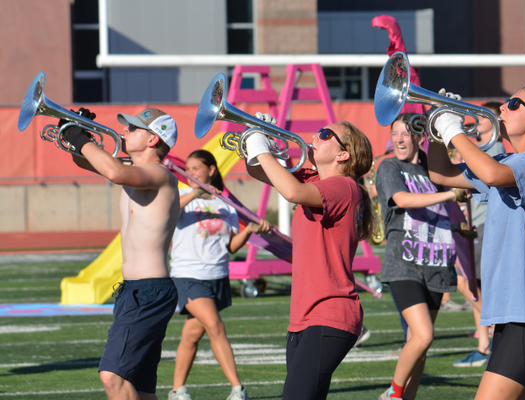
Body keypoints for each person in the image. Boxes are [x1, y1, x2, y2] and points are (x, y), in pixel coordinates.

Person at [428, 87, 525, 400]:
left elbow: (491, 174)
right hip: (515, 311)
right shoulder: (509, 160)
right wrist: (437, 127)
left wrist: (453, 128)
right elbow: (441, 173)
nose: (504, 106)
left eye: (515, 103)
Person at [245, 115, 374, 400]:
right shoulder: (314, 179)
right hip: (304, 317)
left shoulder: (345, 187)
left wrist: (260, 146)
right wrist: (256, 137)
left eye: (326, 134)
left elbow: (291, 192)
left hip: (329, 314)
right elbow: (257, 172)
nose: (315, 136)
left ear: (343, 155)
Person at [67, 107, 180, 399]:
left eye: (134, 128)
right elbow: (84, 162)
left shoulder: (159, 173)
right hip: (135, 291)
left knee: (112, 376)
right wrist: (76, 131)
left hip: (148, 292)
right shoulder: (133, 170)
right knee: (140, 389)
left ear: (154, 139)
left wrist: (79, 136)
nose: (125, 132)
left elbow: (114, 172)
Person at [168, 150, 270, 400]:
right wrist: (195, 193)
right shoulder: (180, 195)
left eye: (196, 168)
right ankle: (238, 389)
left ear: (211, 170)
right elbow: (167, 214)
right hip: (188, 275)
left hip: (217, 276)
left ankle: (177, 390)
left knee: (192, 335)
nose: (190, 173)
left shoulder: (226, 204)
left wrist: (251, 231)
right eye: (188, 168)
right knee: (215, 326)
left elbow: (229, 247)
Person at [376, 112, 460, 400]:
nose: (398, 140)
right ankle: (393, 393)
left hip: (438, 265)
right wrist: (450, 195)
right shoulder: (389, 167)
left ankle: (405, 398)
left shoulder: (433, 171)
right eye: (394, 134)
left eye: (404, 134)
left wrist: (462, 230)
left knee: (419, 345)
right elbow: (403, 200)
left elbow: (437, 216)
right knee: (424, 335)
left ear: (419, 137)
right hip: (405, 264)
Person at [451, 100, 506, 368]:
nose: (477, 120)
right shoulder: (481, 147)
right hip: (475, 224)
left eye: (483, 117)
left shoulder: (494, 147)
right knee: (473, 285)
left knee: (473, 286)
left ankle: (492, 336)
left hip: (486, 225)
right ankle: (484, 343)